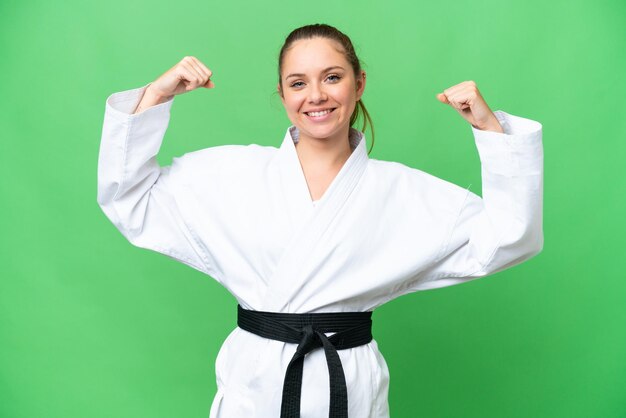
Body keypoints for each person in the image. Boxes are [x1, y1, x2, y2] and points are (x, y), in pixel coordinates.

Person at [97, 23, 543, 418]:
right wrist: (155, 97)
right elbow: (131, 199)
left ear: (358, 83)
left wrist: (490, 130)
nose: (316, 95)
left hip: (347, 384)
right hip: (255, 385)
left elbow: (508, 238)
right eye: (298, 83)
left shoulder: (402, 191)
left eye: (332, 77)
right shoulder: (231, 175)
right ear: (283, 93)